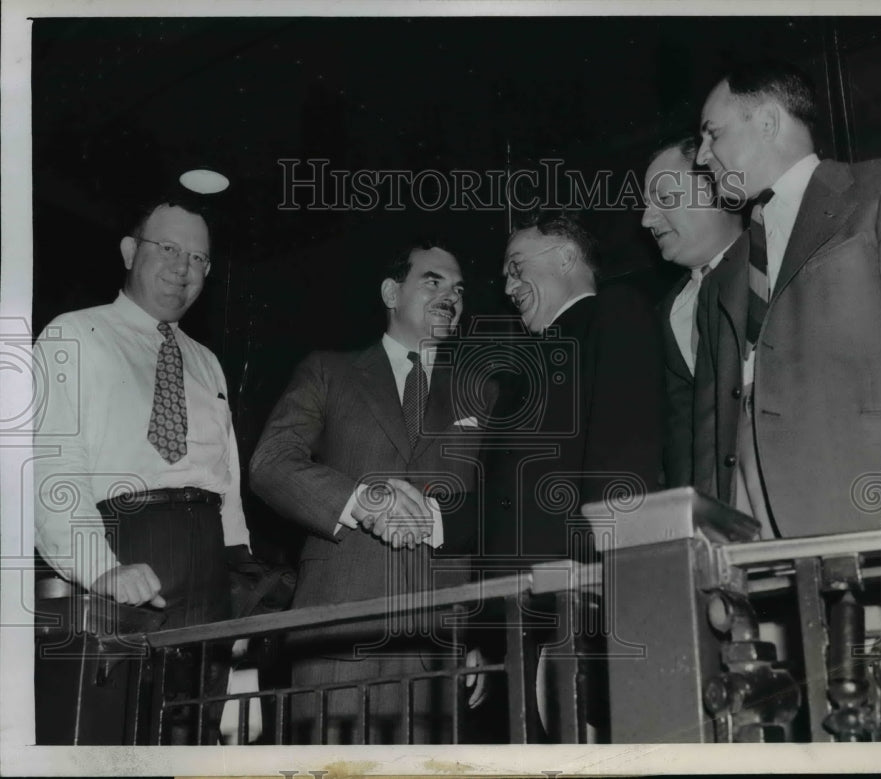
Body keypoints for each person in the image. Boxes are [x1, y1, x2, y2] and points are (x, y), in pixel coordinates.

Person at [692, 59, 881, 538]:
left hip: (870, 503)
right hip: (756, 532)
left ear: (768, 121)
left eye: (713, 134)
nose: (701, 156)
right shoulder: (724, 277)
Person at [249, 240, 495, 744]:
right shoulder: (327, 371)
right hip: (338, 631)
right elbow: (270, 462)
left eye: (458, 289)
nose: (451, 297)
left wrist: (482, 634)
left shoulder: (483, 393)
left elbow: (494, 512)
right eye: (433, 281)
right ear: (391, 292)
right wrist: (362, 500)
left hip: (439, 642)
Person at [33, 195, 251, 742]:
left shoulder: (207, 361)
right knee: (118, 737)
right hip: (125, 551)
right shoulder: (72, 335)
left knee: (194, 737)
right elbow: (50, 467)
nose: (183, 268)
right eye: (169, 248)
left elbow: (226, 480)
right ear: (130, 251)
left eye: (198, 258)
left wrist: (240, 577)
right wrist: (100, 568)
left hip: (209, 566)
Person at [465, 212, 666, 741]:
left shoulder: (614, 315)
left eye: (515, 267)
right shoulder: (518, 372)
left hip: (575, 610)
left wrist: (595, 599)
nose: (508, 287)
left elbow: (622, 469)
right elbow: (498, 505)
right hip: (519, 623)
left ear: (565, 257)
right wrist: (483, 630)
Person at [641, 135, 743, 487]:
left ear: (717, 189)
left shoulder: (780, 268)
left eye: (665, 199)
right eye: (647, 205)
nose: (646, 220)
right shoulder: (665, 314)